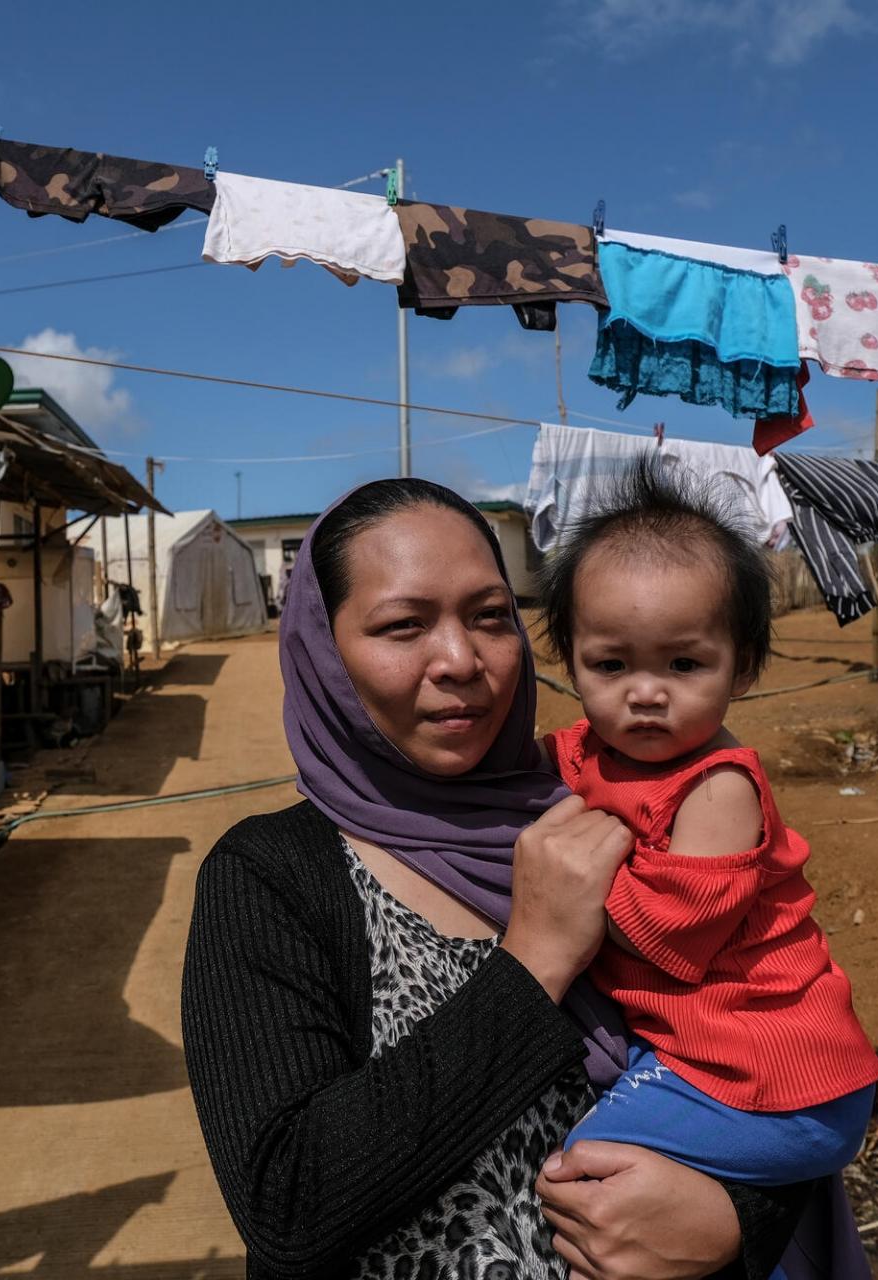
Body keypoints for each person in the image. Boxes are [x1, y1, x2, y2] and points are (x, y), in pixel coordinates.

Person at [182, 478, 824, 1280]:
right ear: (322, 650)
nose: (461, 661)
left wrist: (736, 1222)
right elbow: (289, 1203)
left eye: (490, 616)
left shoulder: (601, 819)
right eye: (402, 626)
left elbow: (770, 1064)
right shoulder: (271, 880)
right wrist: (534, 962)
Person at [537, 462, 878, 1187]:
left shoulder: (717, 788)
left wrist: (569, 876)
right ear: (571, 660)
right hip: (707, 1064)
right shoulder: (593, 750)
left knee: (576, 1173)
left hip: (776, 1081)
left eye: (685, 662)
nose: (646, 693)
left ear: (743, 668)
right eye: (610, 664)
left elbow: (669, 935)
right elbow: (525, 776)